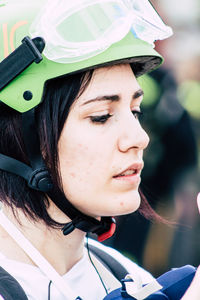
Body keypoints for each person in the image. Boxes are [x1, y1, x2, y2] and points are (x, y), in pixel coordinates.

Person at [0, 0, 199, 299]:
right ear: (19, 136)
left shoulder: (122, 274)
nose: (139, 138)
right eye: (101, 116)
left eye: (135, 110)